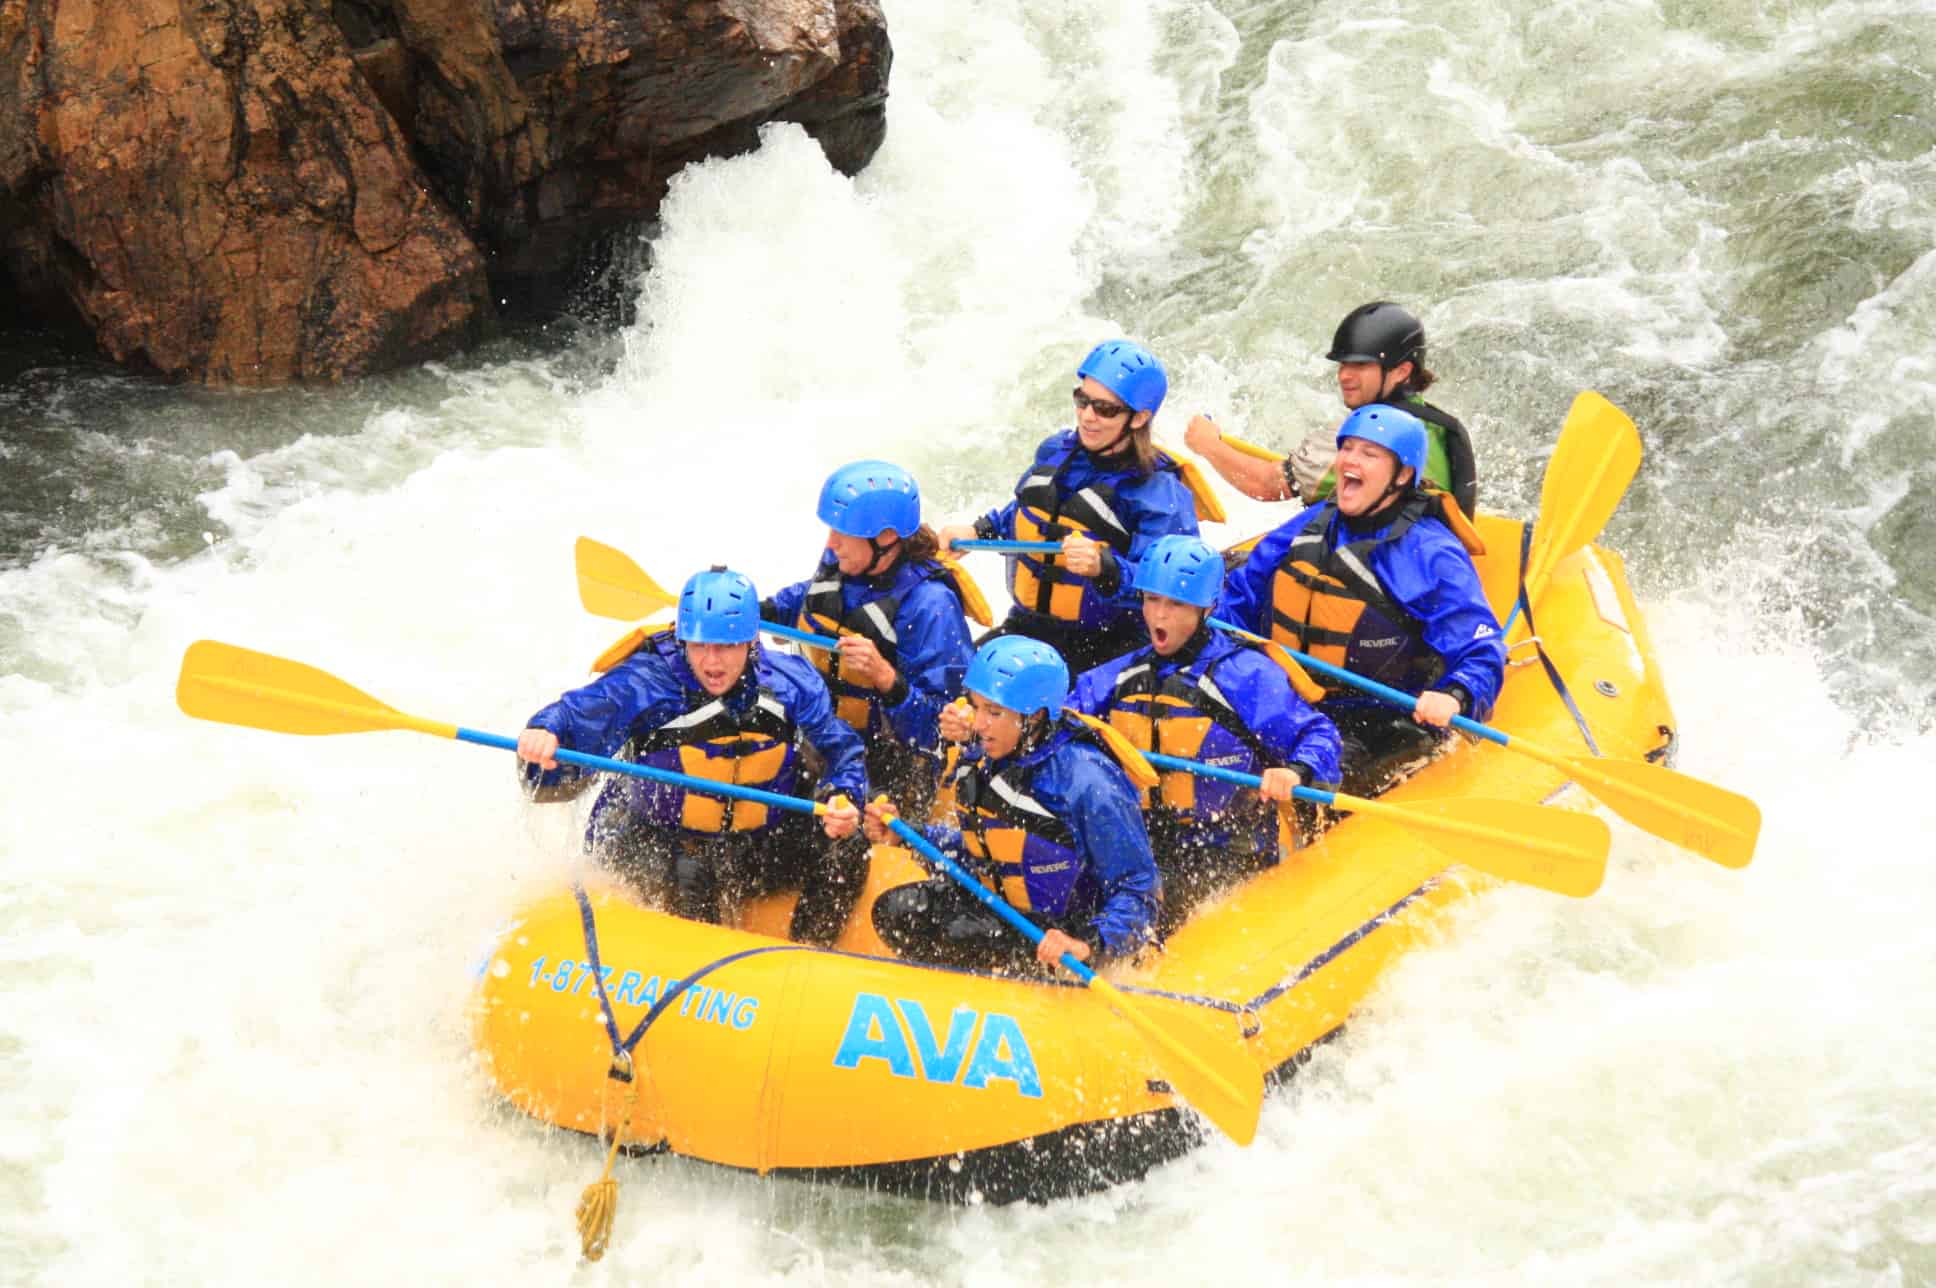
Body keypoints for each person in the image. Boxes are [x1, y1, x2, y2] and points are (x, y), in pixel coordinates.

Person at [515, 567, 869, 946]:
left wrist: (844, 795)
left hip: (752, 843)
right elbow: (576, 713)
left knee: (849, 847)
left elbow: (841, 750)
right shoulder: (648, 681)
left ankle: (808, 958)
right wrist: (545, 730)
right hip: (652, 837)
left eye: (726, 646)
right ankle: (699, 979)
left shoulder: (790, 683)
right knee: (690, 871)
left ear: (751, 642)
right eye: (700, 646)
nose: (711, 662)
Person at [1220, 405, 1504, 798]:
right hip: (1288, 701)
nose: (1350, 460)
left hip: (1377, 719)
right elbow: (1241, 596)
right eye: (1347, 448)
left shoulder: (1431, 553)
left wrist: (1455, 695)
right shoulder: (1314, 524)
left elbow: (1480, 648)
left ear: (1402, 475)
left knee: (1312, 782)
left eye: (1369, 454)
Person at [1067, 535, 1342, 927]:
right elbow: (1055, 721)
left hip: (1229, 850)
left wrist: (1295, 771)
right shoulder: (1122, 674)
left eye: (1176, 604)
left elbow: (1319, 735)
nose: (1158, 616)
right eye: (1151, 600)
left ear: (1206, 608)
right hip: (1142, 844)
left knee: (1157, 909)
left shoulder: (1246, 675)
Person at [862, 636, 1162, 974]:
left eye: (994, 712)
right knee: (898, 913)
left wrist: (1088, 943)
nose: (978, 725)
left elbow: (1139, 888)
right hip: (1010, 914)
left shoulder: (1088, 781)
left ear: (1032, 718)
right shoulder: (990, 755)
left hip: (1064, 932)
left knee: (962, 933)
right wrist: (912, 835)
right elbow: (991, 853)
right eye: (976, 707)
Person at [937, 339, 1208, 673]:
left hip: (1108, 646)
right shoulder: (1057, 451)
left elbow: (1172, 589)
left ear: (1139, 418)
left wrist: (1106, 568)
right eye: (1082, 401)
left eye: (1105, 409)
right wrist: (980, 530)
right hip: (1028, 626)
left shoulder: (1159, 494)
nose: (1087, 417)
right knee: (953, 684)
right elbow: (1030, 513)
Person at [762, 461, 981, 820]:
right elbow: (814, 595)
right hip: (819, 734)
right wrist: (765, 611)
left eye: (842, 533)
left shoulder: (930, 607)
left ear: (886, 538)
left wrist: (886, 679)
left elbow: (943, 733)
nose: (831, 542)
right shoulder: (847, 557)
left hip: (888, 767)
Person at [1185, 301, 1480, 517]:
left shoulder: (1362, 441)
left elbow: (1267, 485)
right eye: (1344, 364)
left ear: (1402, 370)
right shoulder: (1442, 427)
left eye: (1361, 365)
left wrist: (1208, 445)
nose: (1344, 376)